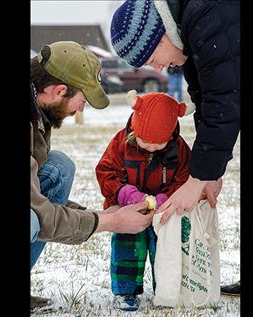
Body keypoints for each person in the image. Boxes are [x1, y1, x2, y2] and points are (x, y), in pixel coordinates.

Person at [110, 0, 241, 296]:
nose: (158, 68)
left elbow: (225, 101)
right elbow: (208, 101)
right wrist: (210, 174)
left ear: (160, 33)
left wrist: (196, 181)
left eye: (152, 58)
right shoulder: (189, 31)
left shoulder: (204, 14)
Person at [30, 41, 155, 310]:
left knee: (59, 167)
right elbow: (39, 214)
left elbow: (38, 198)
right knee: (30, 220)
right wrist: (110, 223)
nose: (81, 109)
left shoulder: (38, 112)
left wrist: (106, 215)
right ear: (60, 90)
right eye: (82, 101)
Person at [95, 90, 192, 311]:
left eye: (158, 145)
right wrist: (123, 193)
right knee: (128, 248)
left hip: (163, 211)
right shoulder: (122, 141)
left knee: (165, 250)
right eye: (145, 142)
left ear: (170, 136)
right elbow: (105, 171)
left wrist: (166, 197)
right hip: (127, 210)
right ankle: (125, 291)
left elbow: (184, 178)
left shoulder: (179, 149)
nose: (150, 148)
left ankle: (166, 289)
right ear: (135, 130)